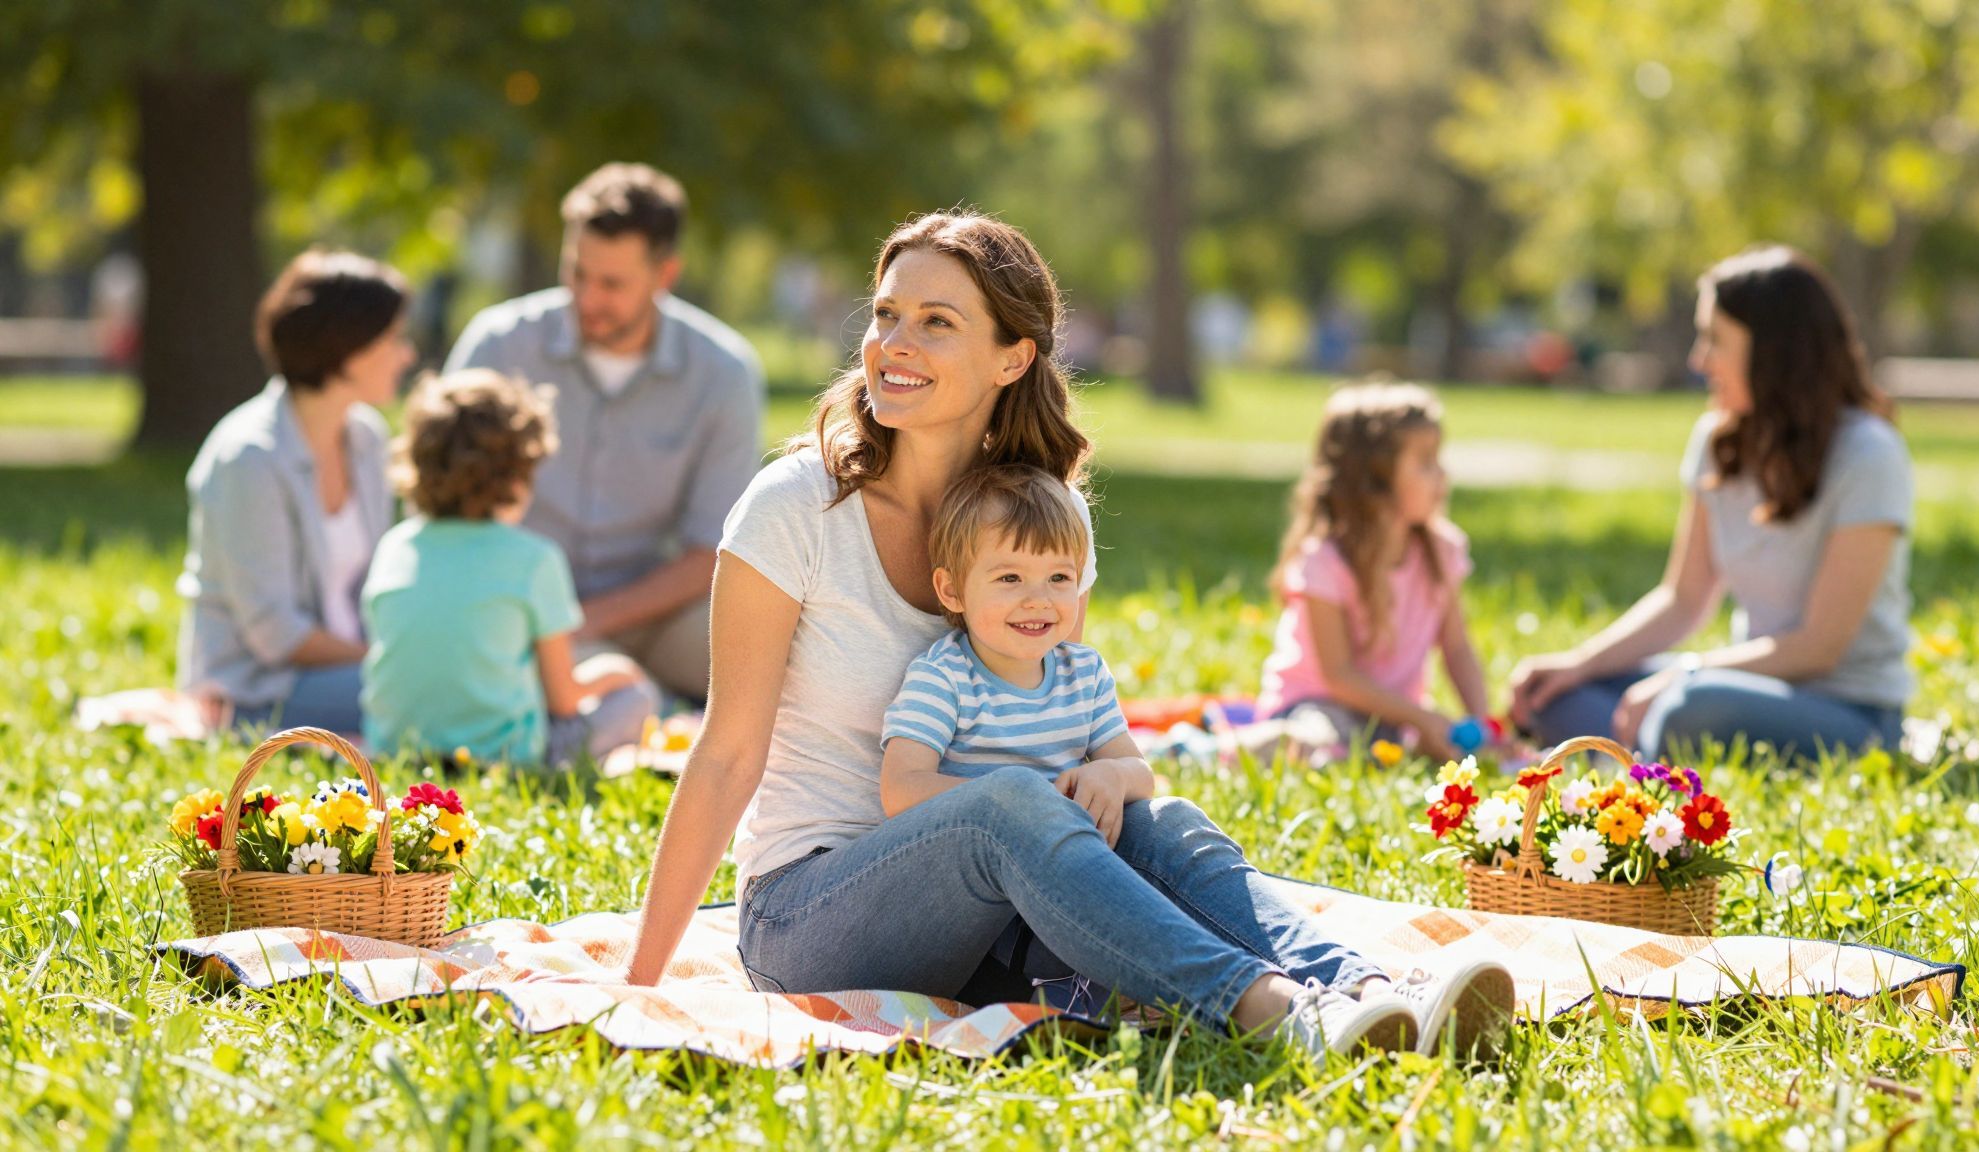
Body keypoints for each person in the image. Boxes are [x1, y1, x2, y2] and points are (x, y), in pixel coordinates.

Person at [621, 210, 1511, 1065]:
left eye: (937, 322)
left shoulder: (1045, 527)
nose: (894, 343)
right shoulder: (794, 509)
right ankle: (1272, 1014)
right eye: (887, 314)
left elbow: (1082, 720)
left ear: (1014, 357)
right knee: (1008, 802)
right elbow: (726, 754)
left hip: (992, 919)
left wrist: (1107, 781)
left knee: (1158, 819)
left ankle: (1377, 990)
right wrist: (639, 987)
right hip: (812, 920)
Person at [1510, 246, 1913, 761]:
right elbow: (1683, 598)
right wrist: (1579, 664)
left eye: (1714, 340)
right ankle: (1633, 760)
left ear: (1774, 351)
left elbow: (1819, 646)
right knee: (1561, 699)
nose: (1699, 360)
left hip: (1849, 712)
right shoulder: (1716, 440)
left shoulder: (1868, 452)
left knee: (1687, 708)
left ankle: (1637, 785)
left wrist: (1689, 672)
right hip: (1737, 686)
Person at [443, 162, 764, 703]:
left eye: (612, 284)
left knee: (776, 665)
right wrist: (543, 619)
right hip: (512, 606)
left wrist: (587, 621)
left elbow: (714, 547)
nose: (587, 299)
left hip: (653, 612)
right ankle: (635, 707)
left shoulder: (724, 373)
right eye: (576, 273)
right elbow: (440, 504)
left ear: (665, 275)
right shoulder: (498, 345)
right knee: (606, 702)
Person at [359, 370, 657, 768]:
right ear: (517, 473)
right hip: (503, 760)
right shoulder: (534, 558)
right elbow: (564, 699)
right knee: (636, 699)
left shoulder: (394, 546)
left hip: (395, 752)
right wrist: (615, 671)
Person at [176, 249, 413, 733]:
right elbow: (276, 636)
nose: (406, 354)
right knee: (431, 692)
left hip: (350, 670)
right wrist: (391, 661)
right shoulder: (248, 457)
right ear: (347, 351)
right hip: (259, 690)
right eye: (392, 339)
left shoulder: (367, 437)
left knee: (457, 682)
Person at [1251, 383, 1495, 765]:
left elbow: (1457, 648)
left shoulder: (1441, 552)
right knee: (1313, 745)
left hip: (1392, 714)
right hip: (1317, 706)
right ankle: (1218, 749)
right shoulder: (1325, 563)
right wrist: (1418, 717)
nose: (1442, 474)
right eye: (1426, 462)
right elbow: (1338, 676)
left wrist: (1484, 726)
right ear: (1374, 480)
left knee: (1422, 749)